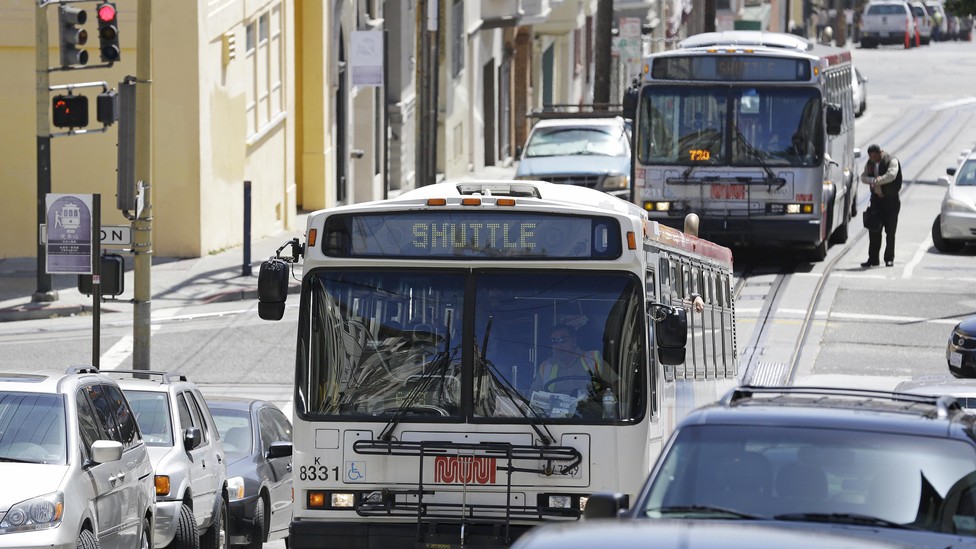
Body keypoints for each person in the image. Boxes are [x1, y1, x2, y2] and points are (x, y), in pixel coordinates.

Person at [530, 325, 617, 417]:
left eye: (563, 339)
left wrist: (603, 396)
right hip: (555, 422)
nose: (558, 345)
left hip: (593, 418)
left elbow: (618, 384)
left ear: (574, 340)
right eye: (554, 341)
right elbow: (532, 398)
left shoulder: (593, 358)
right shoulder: (546, 366)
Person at [860, 144, 903, 268]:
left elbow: (891, 175)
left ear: (880, 152)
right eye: (870, 157)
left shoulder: (891, 160)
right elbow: (863, 177)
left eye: (874, 156)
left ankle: (889, 258)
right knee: (874, 230)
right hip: (876, 201)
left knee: (890, 231)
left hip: (891, 201)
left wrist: (877, 181)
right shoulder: (870, 163)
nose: (872, 159)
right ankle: (873, 259)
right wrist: (872, 180)